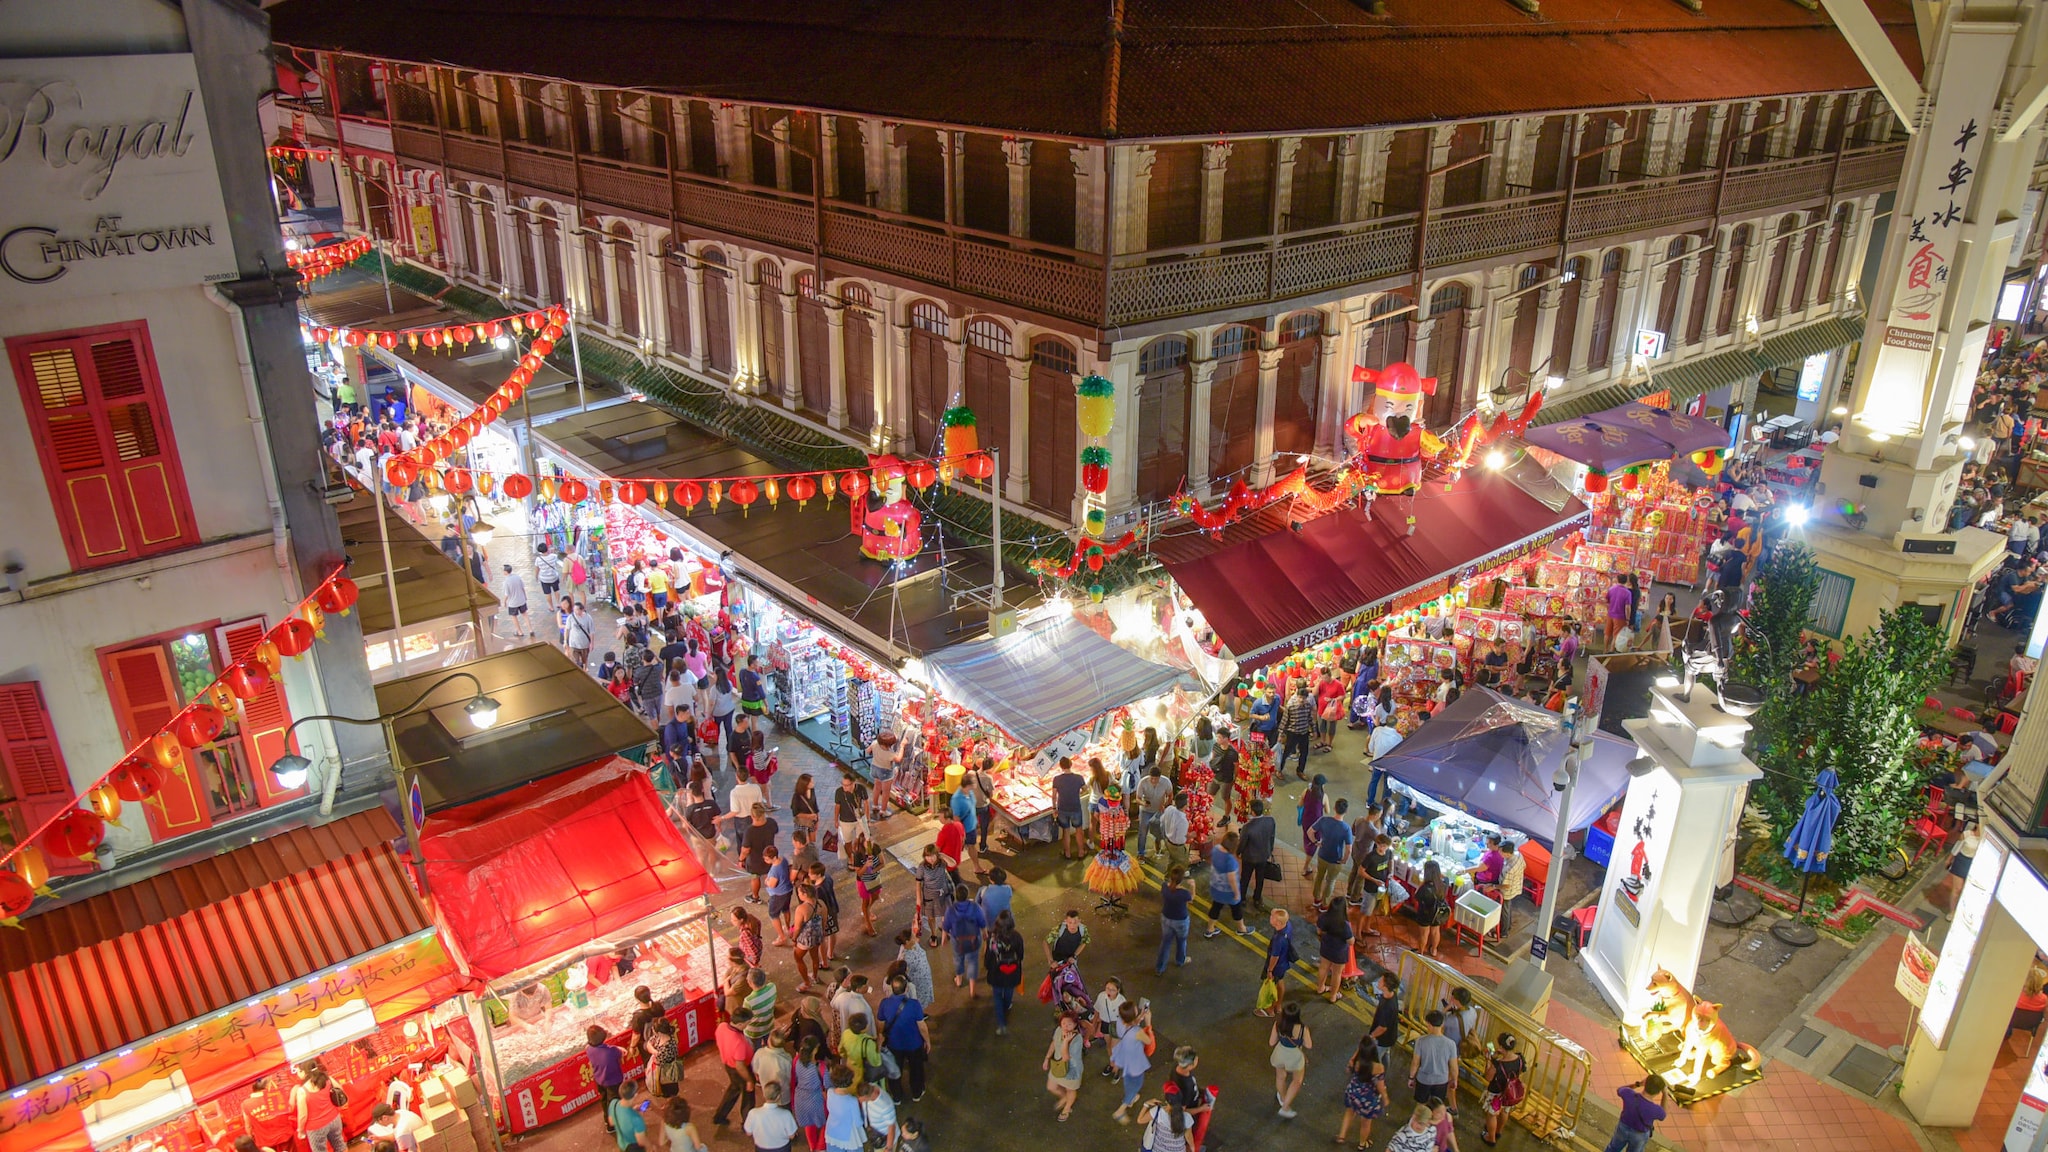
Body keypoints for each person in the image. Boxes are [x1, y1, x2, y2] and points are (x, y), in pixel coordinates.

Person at [877, 974, 931, 1102]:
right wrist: (927, 1041)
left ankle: (897, 1096)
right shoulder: (914, 1004)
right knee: (916, 1069)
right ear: (906, 989)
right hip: (914, 1044)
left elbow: (880, 1024)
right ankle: (917, 1092)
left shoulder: (884, 1004)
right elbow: (922, 1027)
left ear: (891, 988)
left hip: (893, 1044)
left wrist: (881, 1038)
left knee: (894, 1070)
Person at [1338, 1036, 1388, 1150]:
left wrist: (1359, 1050)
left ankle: (1342, 1135)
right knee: (1365, 1122)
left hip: (1353, 1092)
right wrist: (1385, 1098)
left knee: (1350, 1112)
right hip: (1368, 1099)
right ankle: (1362, 1143)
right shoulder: (1378, 1067)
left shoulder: (1355, 1062)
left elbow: (1348, 1070)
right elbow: (1380, 1086)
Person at [712, 1008, 758, 1126]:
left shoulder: (722, 1026)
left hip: (728, 1065)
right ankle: (747, 1123)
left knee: (734, 1089)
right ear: (740, 1024)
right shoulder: (739, 1043)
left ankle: (719, 1116)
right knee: (748, 1097)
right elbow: (740, 1065)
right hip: (741, 1071)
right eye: (748, 1023)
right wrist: (749, 1080)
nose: (749, 1025)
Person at [1267, 1000, 1313, 1118]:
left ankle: (1282, 1098)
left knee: (1280, 1077)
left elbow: (1271, 1042)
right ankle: (1285, 1107)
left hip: (1280, 1053)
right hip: (1295, 1057)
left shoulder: (1278, 1024)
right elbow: (1309, 1045)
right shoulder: (1303, 1029)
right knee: (1297, 1080)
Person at [1110, 1000, 1154, 1122]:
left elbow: (1131, 1025)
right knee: (1136, 1085)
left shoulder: (1121, 1023)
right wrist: (1148, 1022)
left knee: (1129, 1081)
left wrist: (1139, 1017)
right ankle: (1121, 1109)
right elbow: (1148, 1041)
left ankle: (1132, 1097)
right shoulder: (1137, 1032)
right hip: (1136, 1064)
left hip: (1126, 1060)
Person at [985, 909, 1027, 1034]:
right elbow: (1020, 955)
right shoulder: (1017, 937)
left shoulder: (992, 939)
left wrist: (988, 967)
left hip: (996, 973)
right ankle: (1007, 1005)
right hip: (1012, 972)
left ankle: (1001, 1024)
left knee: (997, 996)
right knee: (1009, 991)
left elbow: (988, 957)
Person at [942, 882, 987, 995]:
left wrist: (943, 939)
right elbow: (982, 922)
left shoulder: (951, 910)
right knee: (972, 961)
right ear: (967, 895)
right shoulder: (975, 907)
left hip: (958, 942)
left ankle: (959, 980)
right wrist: (985, 934)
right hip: (973, 940)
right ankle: (972, 990)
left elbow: (946, 926)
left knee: (958, 959)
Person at [1601, 1076, 1668, 1152]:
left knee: (1613, 1148)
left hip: (1623, 1127)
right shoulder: (1655, 1110)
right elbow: (1663, 1114)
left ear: (1645, 1084)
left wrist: (1638, 1084)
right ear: (1658, 1092)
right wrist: (1665, 1094)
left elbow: (1620, 1090)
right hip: (1639, 1134)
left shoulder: (1629, 1094)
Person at [1409, 1010, 1458, 1110]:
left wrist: (1411, 1077)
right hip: (1441, 1081)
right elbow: (1453, 1067)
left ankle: (1420, 1123)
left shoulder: (1421, 1041)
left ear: (1429, 1024)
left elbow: (1415, 1063)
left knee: (1421, 1105)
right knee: (1437, 1107)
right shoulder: (1451, 1044)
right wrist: (1454, 1079)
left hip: (1424, 1079)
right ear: (1442, 1024)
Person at [1481, 1033, 1525, 1146]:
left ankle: (1490, 1138)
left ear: (1501, 1047)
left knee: (1492, 1115)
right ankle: (1498, 1131)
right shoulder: (1520, 1059)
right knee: (1505, 1111)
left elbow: (1488, 1077)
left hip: (1496, 1093)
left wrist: (1488, 1061)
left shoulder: (1498, 1065)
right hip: (1509, 1093)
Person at [1312, 797, 1355, 908]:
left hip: (1322, 855)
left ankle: (1316, 899)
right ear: (1346, 811)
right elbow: (1349, 849)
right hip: (1335, 859)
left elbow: (1310, 831)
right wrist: (1344, 860)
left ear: (1334, 808)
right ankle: (1325, 904)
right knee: (1330, 881)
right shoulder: (1346, 828)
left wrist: (1316, 842)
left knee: (1319, 877)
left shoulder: (1324, 820)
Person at [788, 1038, 829, 1152]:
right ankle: (820, 1147)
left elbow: (794, 1078)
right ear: (814, 1051)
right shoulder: (820, 1067)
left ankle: (812, 1146)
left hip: (800, 1098)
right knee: (826, 1122)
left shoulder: (796, 1060)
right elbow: (828, 1084)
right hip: (816, 1099)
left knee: (809, 1124)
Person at [1044, 1012, 1086, 1121]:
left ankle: (1067, 1108)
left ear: (1075, 1025)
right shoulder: (1059, 1030)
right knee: (1051, 1086)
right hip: (1058, 1065)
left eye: (1069, 1024)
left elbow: (1066, 1057)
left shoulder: (1077, 1039)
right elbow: (1054, 1043)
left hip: (1072, 1069)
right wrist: (1047, 1058)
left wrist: (1066, 1042)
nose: (1066, 1027)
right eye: (1063, 1023)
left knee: (1070, 1089)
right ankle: (1064, 1097)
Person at [586, 1025, 628, 1134]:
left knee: (604, 1100)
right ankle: (612, 1125)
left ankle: (606, 1120)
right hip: (613, 1081)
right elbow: (621, 1052)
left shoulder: (589, 1049)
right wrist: (621, 1049)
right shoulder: (611, 1051)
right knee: (614, 1103)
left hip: (599, 1080)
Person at [1240, 799, 1279, 909]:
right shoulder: (1270, 821)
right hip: (1263, 856)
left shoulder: (1247, 827)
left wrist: (1238, 852)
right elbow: (1272, 837)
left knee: (1245, 878)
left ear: (1252, 812)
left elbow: (1242, 843)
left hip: (1249, 857)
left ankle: (1242, 898)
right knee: (1260, 878)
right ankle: (1257, 898)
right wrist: (1269, 850)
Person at [1259, 907, 1297, 1018]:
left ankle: (1270, 1010)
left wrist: (1270, 970)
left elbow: (1274, 957)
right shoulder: (1287, 926)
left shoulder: (1278, 940)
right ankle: (1278, 1006)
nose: (1270, 917)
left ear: (1278, 923)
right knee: (1280, 982)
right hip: (1283, 963)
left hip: (1276, 966)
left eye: (1272, 917)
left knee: (1272, 987)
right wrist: (1277, 912)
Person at [910, 845, 952, 947]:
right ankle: (933, 935)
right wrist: (919, 900)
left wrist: (943, 855)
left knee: (945, 915)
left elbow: (953, 863)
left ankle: (944, 929)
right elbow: (918, 883)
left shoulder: (942, 863)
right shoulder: (921, 867)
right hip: (929, 897)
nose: (931, 859)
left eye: (933, 855)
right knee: (931, 917)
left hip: (943, 894)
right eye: (928, 856)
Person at [297, 1067, 346, 1152]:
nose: (297, 1073)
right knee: (340, 1145)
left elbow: (303, 1116)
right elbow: (340, 1089)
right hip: (334, 1118)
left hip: (316, 1127)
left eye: (298, 1071)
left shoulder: (302, 1090)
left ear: (304, 1072)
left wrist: (300, 1131)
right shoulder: (327, 1078)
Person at [1316, 897, 1355, 1002]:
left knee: (1323, 968)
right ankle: (1333, 996)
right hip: (1339, 953)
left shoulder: (1323, 917)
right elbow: (1351, 942)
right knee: (1336, 974)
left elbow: (1319, 931)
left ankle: (1320, 988)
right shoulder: (1345, 925)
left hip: (1326, 947)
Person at [1206, 829, 1244, 937]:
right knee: (1236, 909)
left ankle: (1210, 929)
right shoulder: (1230, 861)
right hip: (1228, 891)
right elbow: (1232, 880)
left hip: (1215, 886)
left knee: (1216, 907)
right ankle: (1241, 928)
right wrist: (1236, 893)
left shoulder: (1216, 849)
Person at [1157, 865, 1194, 974]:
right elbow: (1191, 898)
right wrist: (1193, 886)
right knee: (1181, 941)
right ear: (1181, 880)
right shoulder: (1184, 893)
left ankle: (1160, 968)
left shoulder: (1164, 887)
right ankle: (1180, 960)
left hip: (1166, 918)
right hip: (1181, 920)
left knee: (1165, 942)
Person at [744, 1083, 799, 1152]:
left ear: (764, 1095)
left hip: (761, 1148)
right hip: (782, 1148)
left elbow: (748, 1133)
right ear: (778, 1096)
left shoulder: (753, 1113)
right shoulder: (786, 1114)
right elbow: (792, 1136)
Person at [823, 1067, 866, 1152]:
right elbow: (858, 1123)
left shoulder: (830, 1092)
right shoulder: (852, 1101)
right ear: (850, 1082)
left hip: (832, 1131)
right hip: (848, 1135)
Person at [1053, 756, 1089, 858]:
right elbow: (1085, 789)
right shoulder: (1079, 778)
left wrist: (1054, 809)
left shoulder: (1057, 779)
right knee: (1079, 830)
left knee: (1066, 831)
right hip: (1075, 807)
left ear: (1060, 766)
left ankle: (1067, 853)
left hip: (1062, 808)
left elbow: (1053, 796)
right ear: (1071, 765)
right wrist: (1078, 793)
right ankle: (1081, 852)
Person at [1135, 763, 1173, 857]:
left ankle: (1157, 846)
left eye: (1156, 779)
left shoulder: (1166, 782)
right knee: (1143, 832)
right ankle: (1140, 853)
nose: (1153, 780)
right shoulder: (1143, 782)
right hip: (1145, 811)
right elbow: (1138, 798)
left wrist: (1165, 804)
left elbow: (1170, 795)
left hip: (1159, 811)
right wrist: (1143, 803)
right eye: (1151, 778)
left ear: (1160, 777)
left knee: (1158, 830)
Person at [1280, 683, 1316, 779]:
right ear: (1297, 696)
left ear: (1306, 698)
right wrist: (1281, 733)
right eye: (1300, 697)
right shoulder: (1290, 706)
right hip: (1292, 733)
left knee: (1304, 753)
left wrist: (1314, 730)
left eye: (1303, 698)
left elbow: (1310, 719)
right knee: (1286, 753)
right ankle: (1279, 770)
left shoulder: (1308, 706)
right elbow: (1284, 720)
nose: (1301, 700)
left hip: (1304, 733)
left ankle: (1300, 770)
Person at [1297, 775, 1328, 878]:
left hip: (1306, 820)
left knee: (1307, 839)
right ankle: (1306, 867)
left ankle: (1307, 861)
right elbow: (1328, 811)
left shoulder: (1306, 791)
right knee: (1313, 843)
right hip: (1317, 824)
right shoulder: (1324, 797)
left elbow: (1300, 804)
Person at [867, 732, 900, 821]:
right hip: (885, 771)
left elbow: (867, 750)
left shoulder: (875, 743)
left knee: (877, 786)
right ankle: (883, 810)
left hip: (874, 767)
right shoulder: (890, 754)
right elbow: (899, 759)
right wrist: (903, 746)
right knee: (886, 792)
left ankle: (875, 805)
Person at [1157, 790, 1191, 876]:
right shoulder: (1183, 821)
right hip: (1177, 846)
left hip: (1168, 841)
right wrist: (1190, 835)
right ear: (1185, 806)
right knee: (1181, 862)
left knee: (1172, 859)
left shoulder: (1169, 809)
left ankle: (1168, 875)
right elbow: (1180, 839)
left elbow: (1162, 820)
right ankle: (1176, 878)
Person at [610, 1080, 649, 1152]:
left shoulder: (613, 1103)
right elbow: (641, 1141)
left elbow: (611, 1122)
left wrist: (632, 1110)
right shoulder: (636, 1119)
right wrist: (651, 1146)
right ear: (635, 1095)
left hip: (622, 1145)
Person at [1368, 973, 1402, 1050]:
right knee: (1385, 1055)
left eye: (1381, 981)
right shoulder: (1392, 994)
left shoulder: (1387, 1007)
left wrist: (1371, 1036)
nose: (1378, 982)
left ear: (1385, 987)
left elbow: (1382, 1028)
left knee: (1376, 1058)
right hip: (1390, 1037)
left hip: (1382, 1041)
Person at [500, 563, 531, 638]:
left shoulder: (506, 581)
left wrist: (504, 602)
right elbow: (523, 588)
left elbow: (507, 594)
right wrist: (525, 596)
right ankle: (530, 630)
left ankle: (519, 631)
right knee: (525, 614)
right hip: (521, 599)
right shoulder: (517, 577)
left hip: (513, 602)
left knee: (514, 616)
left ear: (505, 572)